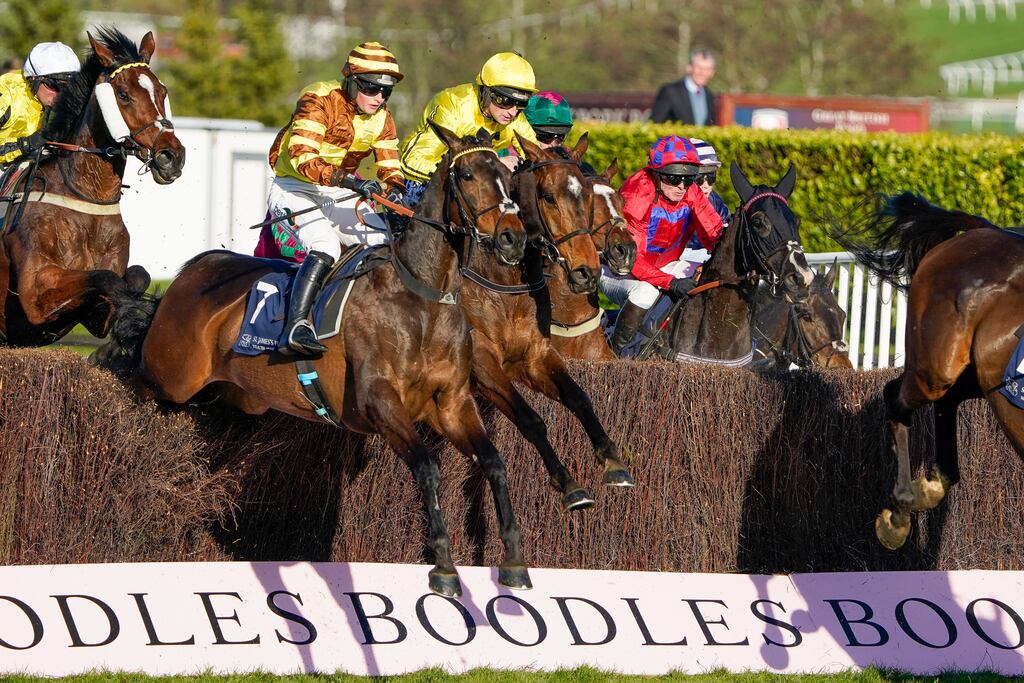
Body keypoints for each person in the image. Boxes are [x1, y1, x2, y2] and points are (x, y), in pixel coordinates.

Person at [266, 41, 405, 356]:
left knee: (382, 244)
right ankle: (297, 327)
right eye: (371, 89)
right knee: (325, 245)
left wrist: (393, 188)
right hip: (294, 187)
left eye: (386, 92)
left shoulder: (383, 117)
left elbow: (390, 167)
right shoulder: (319, 98)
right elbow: (301, 156)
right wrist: (351, 180)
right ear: (352, 81)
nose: (379, 98)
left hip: (340, 191)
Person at [601, 135, 724, 356]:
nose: (681, 187)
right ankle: (617, 353)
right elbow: (633, 260)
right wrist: (670, 282)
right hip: (620, 272)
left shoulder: (689, 189)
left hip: (664, 266)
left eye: (688, 179)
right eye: (673, 179)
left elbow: (714, 231)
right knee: (645, 292)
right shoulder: (637, 195)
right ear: (656, 174)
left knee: (706, 277)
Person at [399, 52, 539, 206]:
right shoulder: (453, 103)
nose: (512, 112)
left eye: (521, 104)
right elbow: (412, 162)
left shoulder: (515, 116)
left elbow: (539, 159)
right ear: (486, 91)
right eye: (505, 101)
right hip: (422, 179)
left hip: (476, 184)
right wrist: (495, 165)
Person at [0, 42, 80, 165]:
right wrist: (26, 144)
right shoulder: (6, 94)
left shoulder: (45, 99)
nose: (61, 95)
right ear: (33, 78)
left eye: (68, 88)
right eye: (55, 86)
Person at [680, 138, 731, 269]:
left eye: (711, 177)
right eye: (699, 178)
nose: (706, 186)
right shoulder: (670, 204)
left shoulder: (716, 203)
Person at [650, 49, 717, 126]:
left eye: (707, 69)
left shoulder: (708, 95)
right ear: (689, 67)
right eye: (698, 67)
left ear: (712, 72)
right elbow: (654, 123)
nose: (702, 72)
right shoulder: (670, 91)